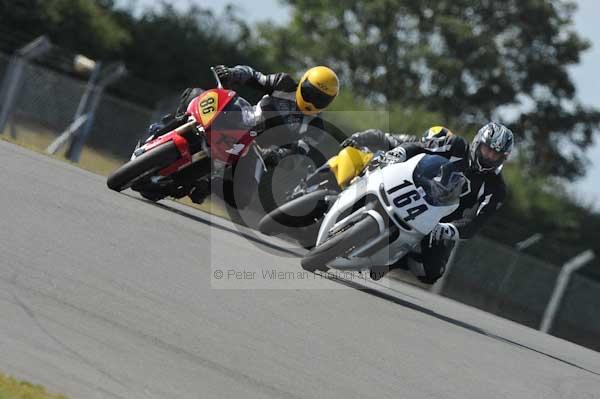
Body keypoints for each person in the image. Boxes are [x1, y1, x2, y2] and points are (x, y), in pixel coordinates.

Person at [146, 65, 340, 206]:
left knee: (242, 197)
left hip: (256, 148)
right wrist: (232, 73)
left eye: (320, 99)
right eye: (309, 92)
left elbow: (300, 152)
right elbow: (254, 76)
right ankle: (167, 126)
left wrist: (279, 155)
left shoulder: (316, 125)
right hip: (242, 119)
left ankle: (205, 184)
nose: (312, 100)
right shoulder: (284, 84)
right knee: (198, 94)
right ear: (302, 84)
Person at [346, 122, 513, 284]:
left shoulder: (496, 188)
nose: (490, 156)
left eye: (496, 154)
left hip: (438, 221)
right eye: (488, 149)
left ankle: (392, 262)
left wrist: (448, 229)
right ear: (478, 142)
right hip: (412, 187)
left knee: (431, 272)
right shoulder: (456, 145)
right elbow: (418, 147)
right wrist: (398, 154)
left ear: (502, 158)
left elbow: (476, 223)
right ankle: (350, 198)